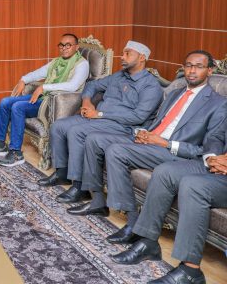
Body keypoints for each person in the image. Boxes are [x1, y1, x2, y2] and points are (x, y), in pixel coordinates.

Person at [71, 50, 227, 222]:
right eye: (188, 66)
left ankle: (131, 220)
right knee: (94, 139)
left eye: (199, 67)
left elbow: (207, 148)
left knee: (116, 151)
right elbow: (156, 122)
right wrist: (143, 133)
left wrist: (165, 143)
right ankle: (98, 202)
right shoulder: (175, 93)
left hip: (172, 151)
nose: (192, 71)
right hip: (150, 139)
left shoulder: (218, 103)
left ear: (209, 71)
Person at [38, 41, 163, 208]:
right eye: (123, 53)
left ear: (142, 58)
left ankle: (80, 187)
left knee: (76, 132)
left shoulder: (151, 86)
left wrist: (99, 114)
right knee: (58, 126)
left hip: (121, 125)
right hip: (98, 118)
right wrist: (86, 102)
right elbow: (92, 85)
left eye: (127, 54)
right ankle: (62, 173)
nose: (122, 57)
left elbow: (138, 117)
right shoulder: (119, 76)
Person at [110, 116, 227, 284]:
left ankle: (190, 272)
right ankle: (148, 242)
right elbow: (216, 135)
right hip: (215, 163)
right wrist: (211, 157)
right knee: (164, 172)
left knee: (192, 185)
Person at [0, 33, 89, 167]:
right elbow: (38, 73)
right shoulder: (57, 62)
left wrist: (44, 87)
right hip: (44, 97)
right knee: (5, 102)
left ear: (76, 47)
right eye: (61, 45)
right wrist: (23, 80)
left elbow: (73, 86)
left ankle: (16, 153)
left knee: (17, 107)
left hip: (55, 103)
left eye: (68, 45)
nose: (64, 48)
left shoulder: (82, 64)